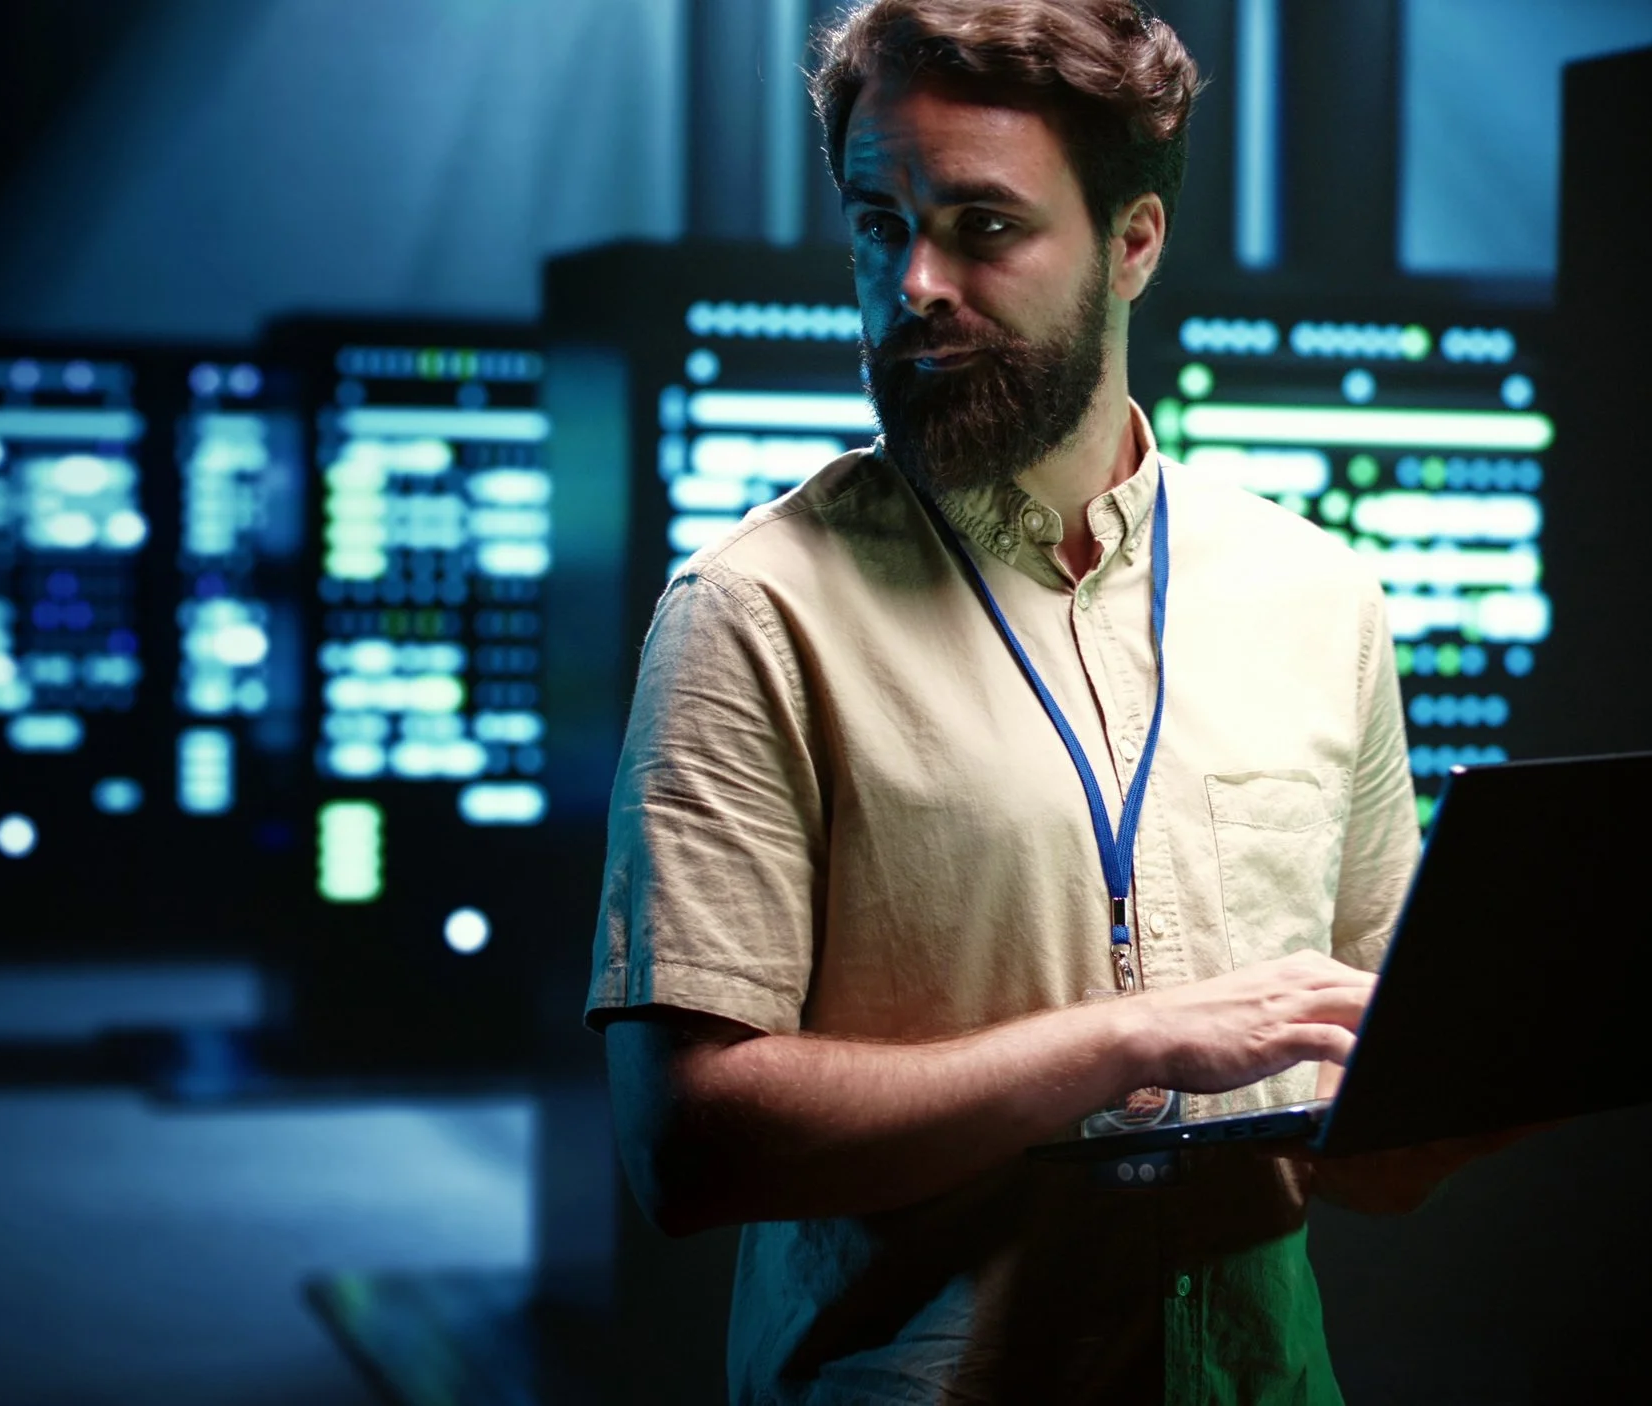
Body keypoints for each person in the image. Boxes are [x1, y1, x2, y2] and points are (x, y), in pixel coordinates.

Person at [589, 1, 1538, 1398]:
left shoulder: (1318, 594)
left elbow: (1372, 1143)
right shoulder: (753, 609)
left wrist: (1488, 1082)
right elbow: (687, 1145)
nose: (914, 282)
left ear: (1134, 242)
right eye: (878, 225)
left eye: (983, 227)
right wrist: (1126, 1041)